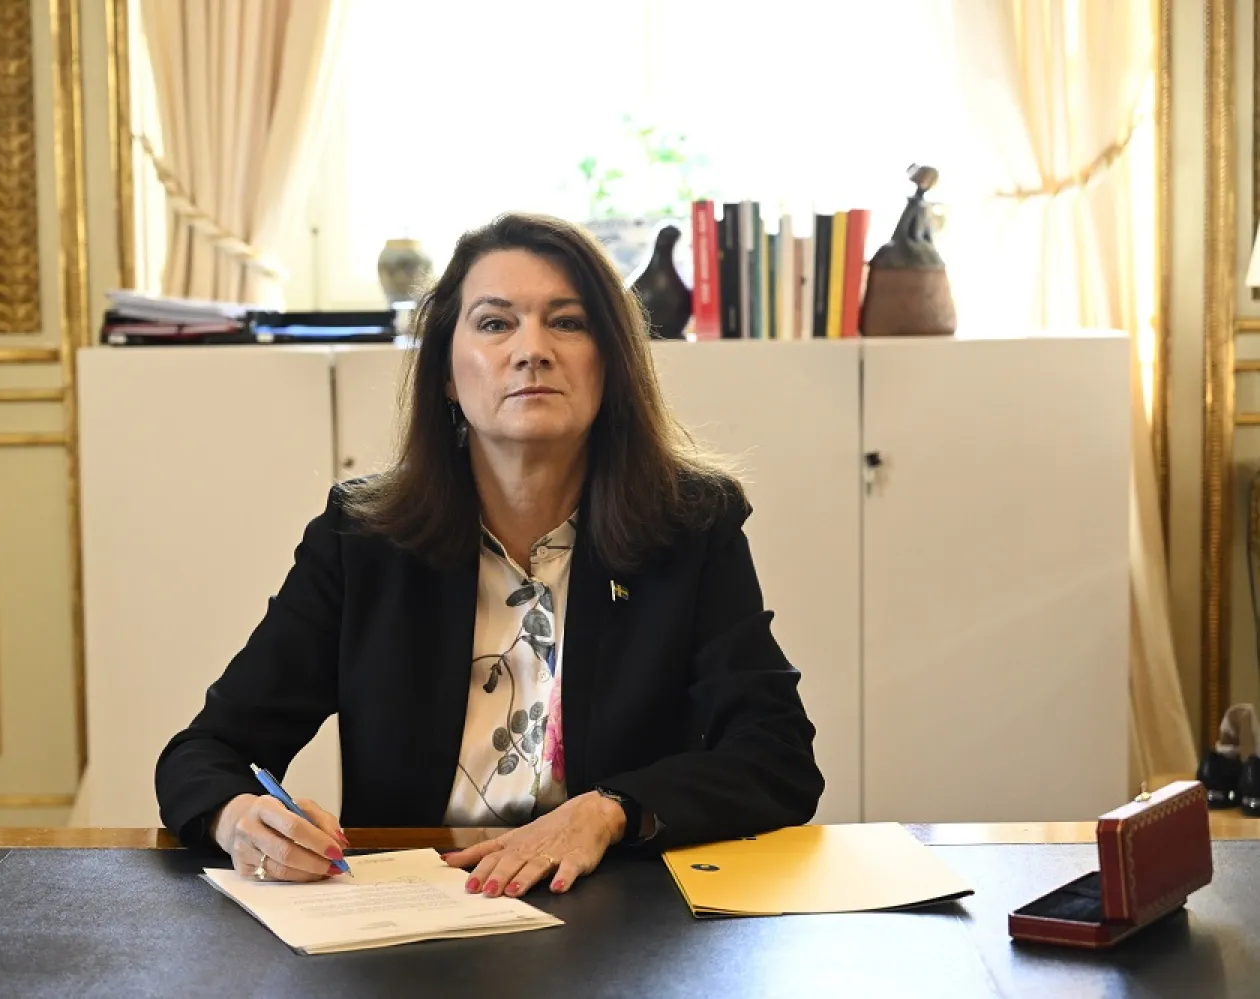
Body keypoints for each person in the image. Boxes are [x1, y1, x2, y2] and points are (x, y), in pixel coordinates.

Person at [154, 212, 824, 899]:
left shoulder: (691, 527)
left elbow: (776, 757)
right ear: (447, 371)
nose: (531, 349)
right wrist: (239, 819)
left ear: (612, 363)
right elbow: (205, 752)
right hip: (418, 918)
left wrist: (609, 809)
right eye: (496, 323)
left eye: (566, 322)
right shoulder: (361, 541)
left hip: (616, 913)